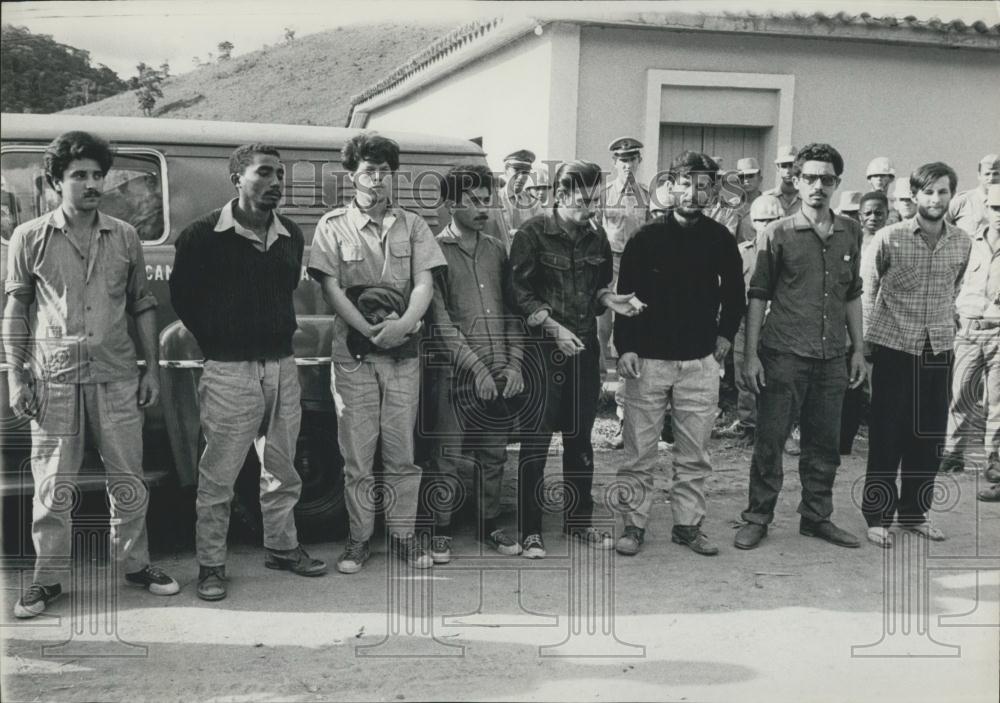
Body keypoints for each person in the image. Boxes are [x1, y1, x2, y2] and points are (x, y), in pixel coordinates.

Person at [6, 131, 179, 618]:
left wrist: (151, 370)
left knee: (128, 476)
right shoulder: (30, 237)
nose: (90, 183)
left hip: (118, 375)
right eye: (78, 175)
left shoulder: (124, 235)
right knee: (53, 483)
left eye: (97, 174)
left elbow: (142, 305)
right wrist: (17, 378)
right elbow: (16, 309)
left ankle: (136, 564)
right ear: (55, 182)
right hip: (54, 380)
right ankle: (48, 580)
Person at [170, 143, 325, 601]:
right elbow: (184, 299)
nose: (276, 182)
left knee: (283, 467)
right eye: (263, 173)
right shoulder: (201, 235)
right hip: (228, 371)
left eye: (280, 174)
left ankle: (282, 547)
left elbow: (286, 289)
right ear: (236, 178)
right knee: (219, 474)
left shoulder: (291, 235)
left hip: (281, 366)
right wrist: (221, 341)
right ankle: (212, 565)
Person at [307, 133, 447, 573]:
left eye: (385, 170)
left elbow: (424, 282)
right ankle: (358, 539)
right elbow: (329, 287)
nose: (377, 178)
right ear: (352, 175)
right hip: (355, 355)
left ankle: (403, 537)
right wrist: (367, 329)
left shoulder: (414, 225)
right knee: (356, 453)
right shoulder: (331, 226)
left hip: (403, 354)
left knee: (401, 451)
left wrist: (404, 324)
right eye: (368, 170)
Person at [735, 142, 866, 551]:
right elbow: (758, 295)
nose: (818, 186)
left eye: (827, 179)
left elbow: (852, 294)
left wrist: (858, 349)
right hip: (785, 355)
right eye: (809, 178)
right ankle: (757, 517)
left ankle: (816, 517)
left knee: (824, 445)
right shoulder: (778, 233)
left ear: (837, 184)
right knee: (770, 442)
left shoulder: (851, 231)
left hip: (831, 358)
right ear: (796, 180)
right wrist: (751, 355)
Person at [613, 151, 745, 557]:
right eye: (685, 184)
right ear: (670, 187)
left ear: (711, 192)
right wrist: (627, 347)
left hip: (699, 362)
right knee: (639, 453)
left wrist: (724, 338)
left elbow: (735, 294)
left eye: (703, 186)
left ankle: (688, 526)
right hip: (649, 361)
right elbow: (625, 296)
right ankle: (633, 525)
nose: (692, 193)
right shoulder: (645, 237)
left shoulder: (720, 238)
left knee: (694, 454)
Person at [508, 160, 641, 558]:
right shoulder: (532, 235)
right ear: (561, 196)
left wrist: (611, 300)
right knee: (535, 443)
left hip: (583, 352)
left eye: (596, 200)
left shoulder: (596, 238)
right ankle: (530, 530)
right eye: (584, 201)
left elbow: (598, 288)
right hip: (542, 354)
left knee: (580, 440)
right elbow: (519, 294)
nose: (592, 208)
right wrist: (553, 328)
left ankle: (578, 522)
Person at [861, 162, 971, 547]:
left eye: (943, 191)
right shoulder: (889, 238)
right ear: (915, 195)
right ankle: (877, 517)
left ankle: (914, 513)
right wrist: (864, 348)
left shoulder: (962, 242)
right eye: (928, 192)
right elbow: (868, 292)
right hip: (894, 346)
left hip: (937, 348)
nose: (936, 199)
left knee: (928, 436)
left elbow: (953, 288)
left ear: (951, 195)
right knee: (888, 434)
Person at [424, 164, 524, 562]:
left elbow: (514, 312)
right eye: (474, 202)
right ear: (451, 205)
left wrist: (513, 365)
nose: (484, 208)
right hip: (454, 374)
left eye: (488, 201)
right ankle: (440, 529)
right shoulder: (433, 251)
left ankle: (489, 525)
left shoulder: (498, 249)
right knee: (446, 454)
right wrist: (476, 369)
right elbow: (440, 321)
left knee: (494, 454)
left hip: (500, 373)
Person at [940, 184, 1000, 477]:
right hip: (967, 329)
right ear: (986, 209)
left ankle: (994, 459)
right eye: (996, 208)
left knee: (997, 400)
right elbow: (952, 281)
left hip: (999, 333)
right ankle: (953, 453)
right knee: (960, 393)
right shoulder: (967, 243)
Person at [716, 194, 785, 443]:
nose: (766, 225)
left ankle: (780, 429)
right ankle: (749, 425)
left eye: (773, 219)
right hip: (746, 320)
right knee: (745, 373)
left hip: (780, 321)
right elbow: (729, 288)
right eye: (761, 220)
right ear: (752, 223)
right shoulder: (741, 252)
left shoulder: (791, 252)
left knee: (779, 375)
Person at [598, 137, 650, 449]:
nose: (627, 164)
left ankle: (624, 415)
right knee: (600, 336)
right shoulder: (603, 195)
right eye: (622, 159)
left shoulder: (647, 195)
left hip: (637, 271)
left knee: (631, 340)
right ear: (614, 163)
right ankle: (591, 403)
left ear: (638, 162)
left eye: (632, 159)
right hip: (610, 267)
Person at [839, 190, 889, 455]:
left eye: (878, 213)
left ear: (887, 214)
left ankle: (881, 440)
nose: (872, 217)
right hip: (852, 317)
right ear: (859, 215)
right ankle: (844, 441)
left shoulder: (892, 240)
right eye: (867, 213)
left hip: (881, 322)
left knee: (880, 387)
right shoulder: (852, 239)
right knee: (852, 383)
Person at [496, 149, 543, 248]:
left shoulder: (533, 202)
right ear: (506, 170)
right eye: (516, 170)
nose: (521, 177)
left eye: (525, 172)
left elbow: (540, 230)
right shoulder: (495, 200)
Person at [947, 154, 1000, 238]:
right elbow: (939, 227)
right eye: (987, 174)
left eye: (996, 174)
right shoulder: (963, 201)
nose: (991, 178)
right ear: (979, 175)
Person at [764, 145, 802, 216]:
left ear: (798, 167)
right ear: (778, 168)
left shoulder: (806, 198)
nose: (788, 171)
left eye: (791, 165)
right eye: (784, 166)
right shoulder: (767, 198)